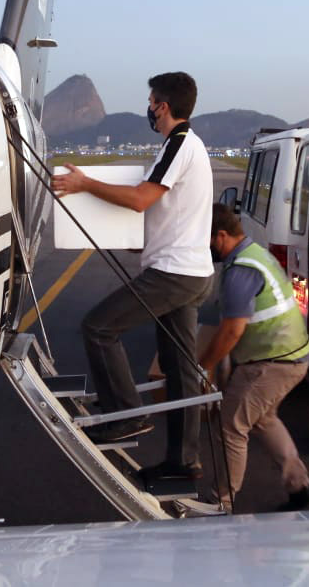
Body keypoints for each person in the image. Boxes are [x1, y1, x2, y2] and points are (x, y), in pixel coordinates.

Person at [51, 72, 214, 483]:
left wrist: (85, 183)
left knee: (98, 327)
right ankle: (183, 464)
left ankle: (125, 417)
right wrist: (140, 244)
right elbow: (173, 214)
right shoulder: (187, 147)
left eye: (151, 101)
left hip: (174, 274)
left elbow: (142, 199)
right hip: (188, 270)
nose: (149, 109)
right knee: (180, 374)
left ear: (163, 105)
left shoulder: (179, 145)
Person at [202, 203, 309, 511]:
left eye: (206, 239)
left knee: (230, 427)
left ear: (221, 235)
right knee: (264, 418)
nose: (204, 248)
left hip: (272, 362)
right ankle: (298, 486)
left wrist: (205, 367)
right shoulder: (256, 253)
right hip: (290, 356)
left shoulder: (241, 269)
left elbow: (231, 331)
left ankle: (221, 503)